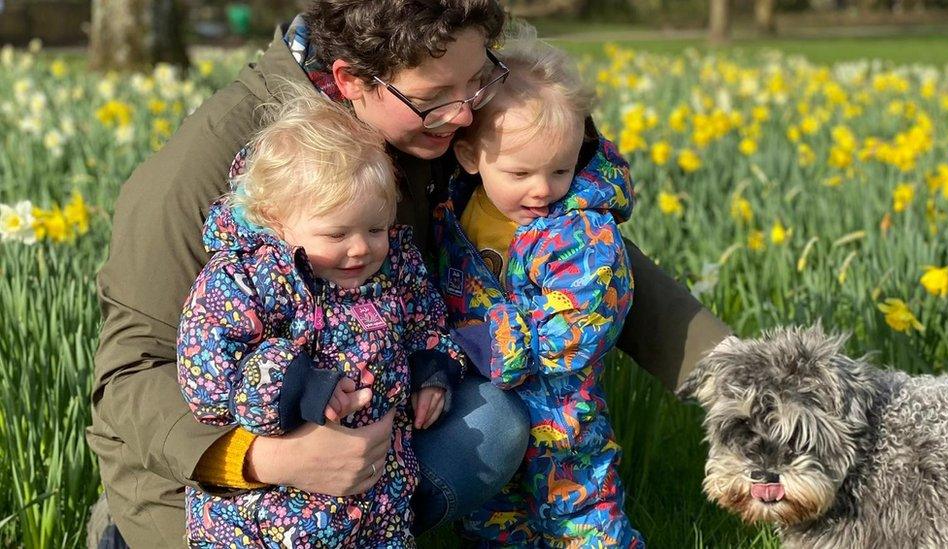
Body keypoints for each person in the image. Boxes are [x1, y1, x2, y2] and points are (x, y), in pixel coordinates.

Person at [86, 2, 730, 546]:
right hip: (214, 478)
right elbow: (129, 375)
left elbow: (580, 247)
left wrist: (739, 378)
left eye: (478, 80)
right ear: (352, 79)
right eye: (432, 100)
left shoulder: (455, 119)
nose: (463, 115)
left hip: (377, 438)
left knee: (495, 419)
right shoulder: (214, 165)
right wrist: (272, 459)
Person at [176, 91, 463, 546]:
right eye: (337, 233)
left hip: (380, 493)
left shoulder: (394, 267)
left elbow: (427, 322)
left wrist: (433, 370)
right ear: (276, 219)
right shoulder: (246, 278)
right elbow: (209, 385)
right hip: (276, 510)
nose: (360, 248)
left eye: (375, 228)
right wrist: (297, 385)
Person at [434, 32, 644, 546]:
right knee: (495, 518)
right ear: (468, 157)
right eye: (520, 171)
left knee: (581, 514)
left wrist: (483, 343)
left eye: (560, 170)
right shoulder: (455, 215)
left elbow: (580, 322)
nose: (543, 190)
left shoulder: (581, 231)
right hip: (484, 403)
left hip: (563, 411)